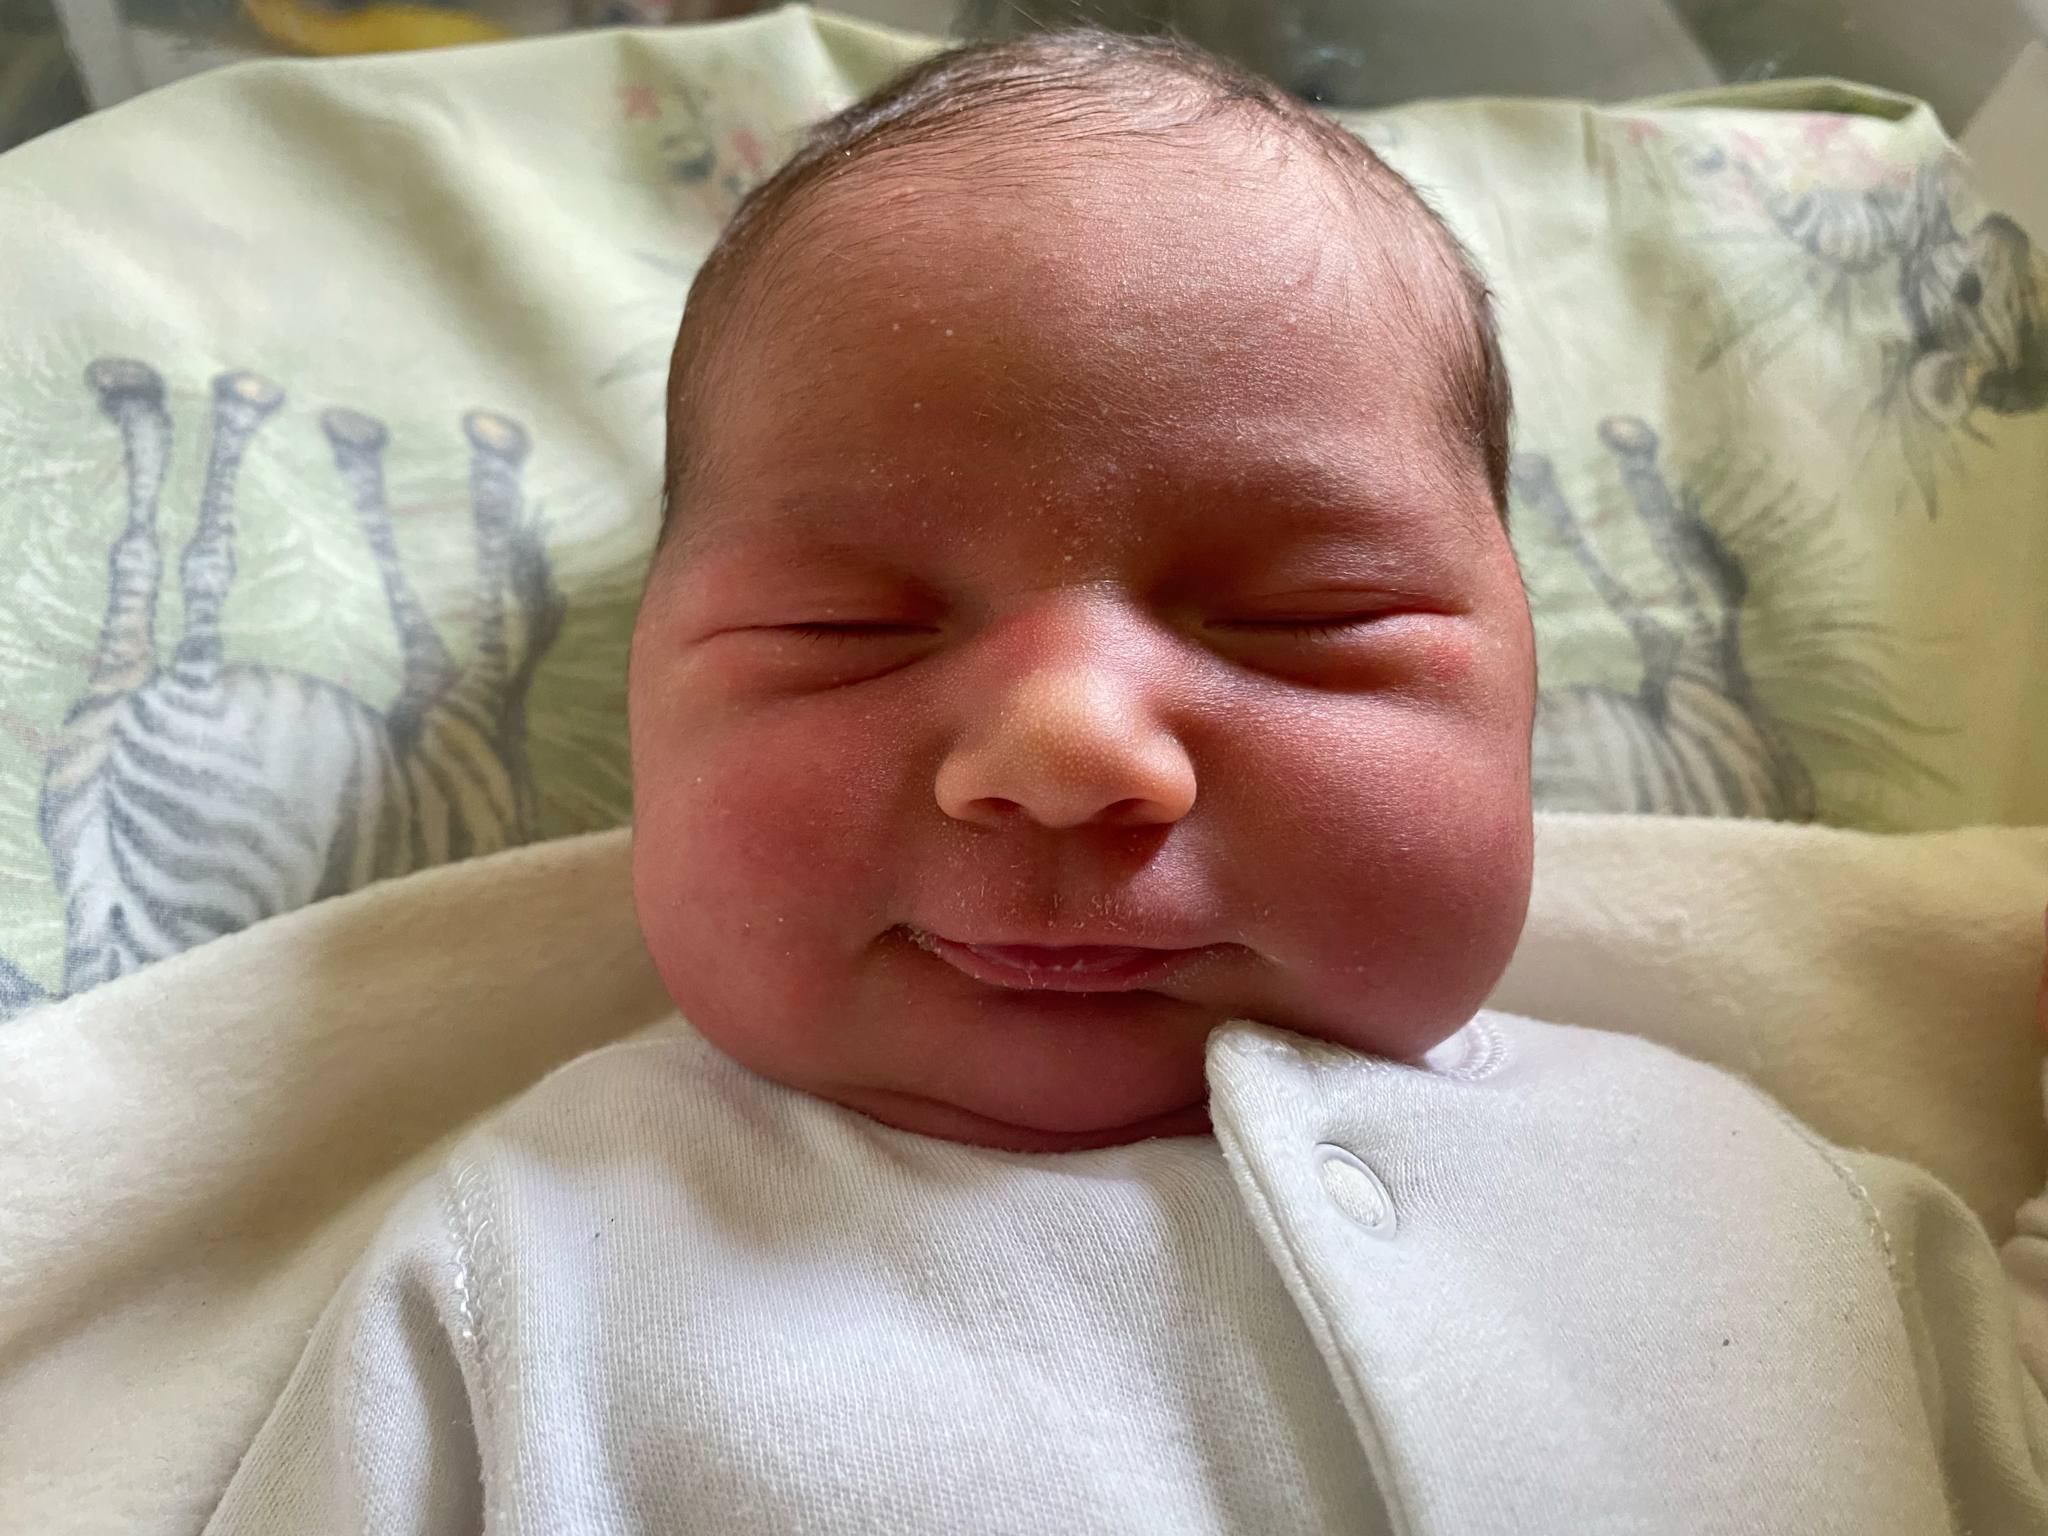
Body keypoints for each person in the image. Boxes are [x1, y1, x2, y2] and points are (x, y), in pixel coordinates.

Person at [204, 31, 2048, 1534]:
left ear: (1526, 691)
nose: (1070, 749)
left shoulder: (1756, 1197)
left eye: (1305, 619)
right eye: (850, 628)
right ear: (644, 712)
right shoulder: (537, 1266)